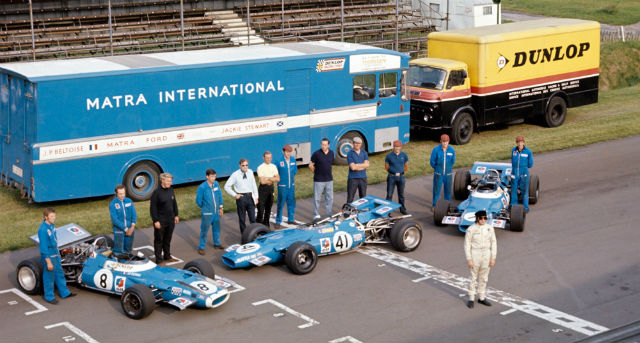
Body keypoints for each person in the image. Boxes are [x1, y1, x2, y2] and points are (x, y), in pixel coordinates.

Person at [37, 208, 76, 304]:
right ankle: (49, 297)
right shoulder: (43, 229)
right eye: (51, 216)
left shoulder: (52, 225)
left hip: (55, 253)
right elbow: (43, 248)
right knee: (49, 277)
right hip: (49, 255)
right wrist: (48, 261)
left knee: (59, 274)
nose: (54, 218)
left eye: (54, 216)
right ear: (46, 217)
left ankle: (65, 292)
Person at [464, 210, 497, 308]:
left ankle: (481, 297)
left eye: (485, 218)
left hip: (486, 254)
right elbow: (467, 245)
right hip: (475, 254)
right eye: (481, 218)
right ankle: (471, 298)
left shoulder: (490, 228)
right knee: (473, 277)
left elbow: (494, 243)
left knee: (484, 278)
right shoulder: (471, 229)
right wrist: (469, 259)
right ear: (477, 218)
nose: (483, 220)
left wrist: (493, 258)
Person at [150, 173, 179, 265]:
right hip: (161, 221)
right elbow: (153, 208)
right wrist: (156, 220)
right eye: (168, 181)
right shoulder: (156, 193)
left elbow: (174, 203)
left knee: (168, 239)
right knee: (159, 240)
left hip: (170, 219)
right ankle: (159, 260)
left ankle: (167, 256)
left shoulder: (171, 189)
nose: (170, 183)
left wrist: (176, 215)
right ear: (162, 180)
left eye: (170, 181)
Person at [224, 158, 259, 234]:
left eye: (246, 165)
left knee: (253, 218)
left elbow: (254, 185)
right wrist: (235, 194)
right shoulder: (235, 174)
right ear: (240, 165)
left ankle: (254, 234)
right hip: (241, 199)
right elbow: (226, 186)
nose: (245, 167)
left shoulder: (250, 172)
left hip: (250, 197)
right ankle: (245, 236)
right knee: (242, 219)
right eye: (243, 165)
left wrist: (256, 197)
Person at [195, 169, 224, 255]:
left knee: (217, 229)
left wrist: (221, 208)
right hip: (207, 213)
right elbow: (198, 201)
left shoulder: (216, 184)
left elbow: (220, 196)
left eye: (214, 176)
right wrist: (205, 207)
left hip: (216, 212)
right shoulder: (202, 187)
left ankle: (217, 244)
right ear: (207, 176)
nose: (213, 178)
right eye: (211, 176)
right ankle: (202, 247)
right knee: (204, 231)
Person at [309, 138, 334, 222]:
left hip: (329, 179)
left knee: (329, 198)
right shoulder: (316, 154)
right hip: (319, 180)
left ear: (328, 145)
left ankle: (329, 215)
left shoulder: (331, 153)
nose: (323, 146)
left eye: (325, 145)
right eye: (322, 144)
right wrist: (316, 173)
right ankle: (316, 214)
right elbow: (310, 165)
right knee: (317, 198)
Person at [430, 134, 456, 211]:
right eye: (443, 142)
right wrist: (437, 169)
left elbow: (452, 161)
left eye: (446, 142)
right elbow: (432, 162)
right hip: (438, 174)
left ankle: (447, 206)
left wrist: (448, 168)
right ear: (440, 141)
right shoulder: (436, 150)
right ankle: (434, 205)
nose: (445, 143)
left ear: (448, 141)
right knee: (436, 190)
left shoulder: (451, 150)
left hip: (448, 174)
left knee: (448, 191)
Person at [109, 184, 137, 255]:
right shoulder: (113, 204)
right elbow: (115, 220)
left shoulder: (129, 201)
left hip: (130, 229)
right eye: (120, 194)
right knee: (119, 252)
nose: (122, 195)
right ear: (116, 193)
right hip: (119, 231)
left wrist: (132, 227)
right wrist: (126, 229)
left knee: (128, 250)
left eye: (124, 193)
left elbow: (134, 214)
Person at [275, 145, 298, 227]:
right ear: (283, 151)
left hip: (291, 186)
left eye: (289, 152)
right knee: (280, 204)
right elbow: (275, 172)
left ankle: (291, 220)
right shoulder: (278, 161)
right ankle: (278, 221)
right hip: (282, 186)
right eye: (287, 152)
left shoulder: (293, 160)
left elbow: (295, 171)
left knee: (291, 203)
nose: (288, 153)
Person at [385, 140, 409, 214]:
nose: (397, 148)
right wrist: (393, 172)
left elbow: (406, 166)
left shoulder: (404, 155)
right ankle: (387, 211)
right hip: (391, 176)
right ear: (393, 147)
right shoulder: (389, 156)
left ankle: (402, 209)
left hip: (401, 177)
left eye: (398, 147)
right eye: (395, 146)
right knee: (389, 194)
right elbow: (386, 167)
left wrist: (400, 172)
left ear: (400, 147)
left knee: (401, 194)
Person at [511, 135, 534, 212]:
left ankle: (525, 208)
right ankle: (513, 207)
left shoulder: (528, 152)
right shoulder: (513, 151)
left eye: (521, 142)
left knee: (524, 191)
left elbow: (530, 164)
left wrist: (523, 168)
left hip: (524, 174)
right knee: (513, 191)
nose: (520, 144)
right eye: (518, 142)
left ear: (523, 142)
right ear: (516, 143)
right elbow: (512, 162)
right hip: (514, 173)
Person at [256, 151, 279, 227]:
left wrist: (267, 178)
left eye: (270, 158)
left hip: (270, 189)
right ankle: (258, 225)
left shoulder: (273, 166)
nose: (269, 159)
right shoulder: (260, 167)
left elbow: (278, 178)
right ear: (264, 158)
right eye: (267, 158)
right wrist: (272, 178)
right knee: (261, 209)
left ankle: (266, 225)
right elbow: (262, 182)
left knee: (268, 208)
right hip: (263, 190)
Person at [346, 136, 369, 203]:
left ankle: (363, 211)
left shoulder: (364, 153)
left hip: (363, 178)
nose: (357, 145)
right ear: (353, 144)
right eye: (356, 143)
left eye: (359, 143)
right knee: (350, 197)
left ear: (361, 144)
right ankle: (348, 212)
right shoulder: (350, 153)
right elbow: (353, 167)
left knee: (363, 197)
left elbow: (367, 165)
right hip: (353, 178)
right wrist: (362, 166)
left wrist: (357, 165)